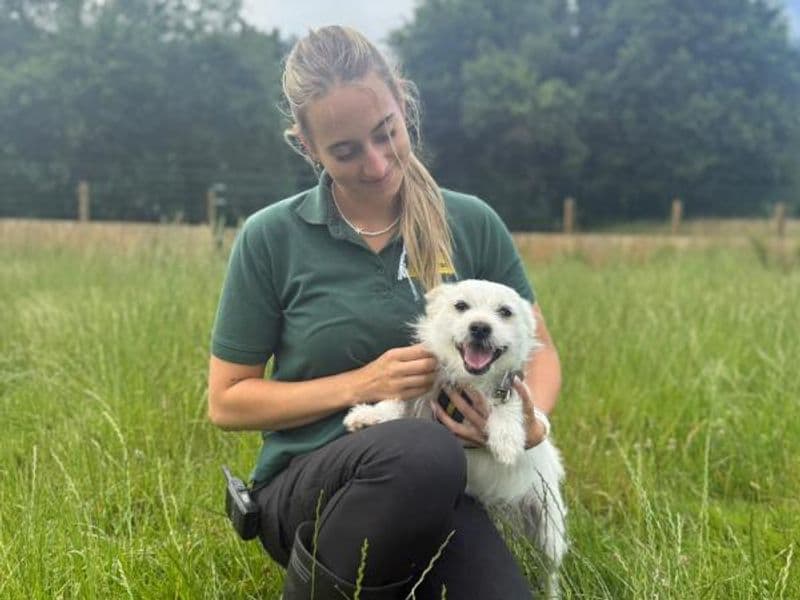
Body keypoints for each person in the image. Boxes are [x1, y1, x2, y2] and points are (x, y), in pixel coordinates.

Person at [207, 25, 562, 599]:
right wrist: (364, 383)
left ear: (401, 100)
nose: (375, 163)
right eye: (346, 151)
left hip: (448, 490)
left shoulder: (472, 222)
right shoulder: (270, 236)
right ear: (306, 146)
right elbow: (228, 400)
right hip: (309, 486)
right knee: (421, 448)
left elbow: (540, 355)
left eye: (386, 133)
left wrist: (529, 423)